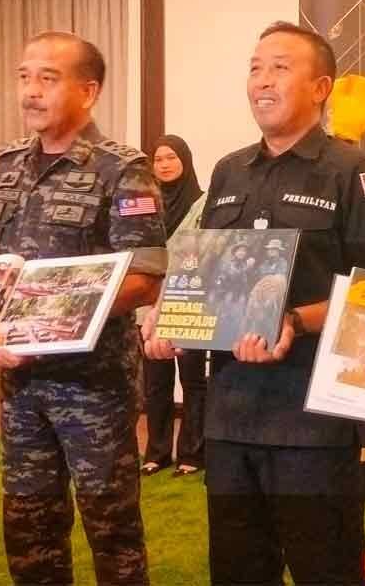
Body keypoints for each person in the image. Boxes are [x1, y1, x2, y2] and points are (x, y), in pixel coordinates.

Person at [143, 21, 365, 585]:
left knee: (326, 572)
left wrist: (295, 319)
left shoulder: (355, 171)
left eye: (281, 67)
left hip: (313, 420)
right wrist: (171, 317)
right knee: (238, 572)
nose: (262, 80)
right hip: (232, 415)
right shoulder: (229, 170)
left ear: (322, 87)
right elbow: (206, 269)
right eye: (255, 67)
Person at [0, 31, 166, 586]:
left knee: (110, 529)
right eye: (23, 76)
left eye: (48, 77)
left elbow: (144, 279)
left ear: (88, 92)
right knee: (29, 526)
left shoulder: (123, 169)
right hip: (20, 386)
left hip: (94, 387)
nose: (31, 91)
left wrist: (43, 319)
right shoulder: (8, 163)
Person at [141, 134, 207, 478]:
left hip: (188, 299)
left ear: (185, 161)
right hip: (149, 303)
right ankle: (157, 452)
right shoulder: (146, 204)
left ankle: (193, 454)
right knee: (155, 381)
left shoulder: (203, 203)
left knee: (193, 379)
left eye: (171, 158)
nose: (164, 164)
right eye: (158, 159)